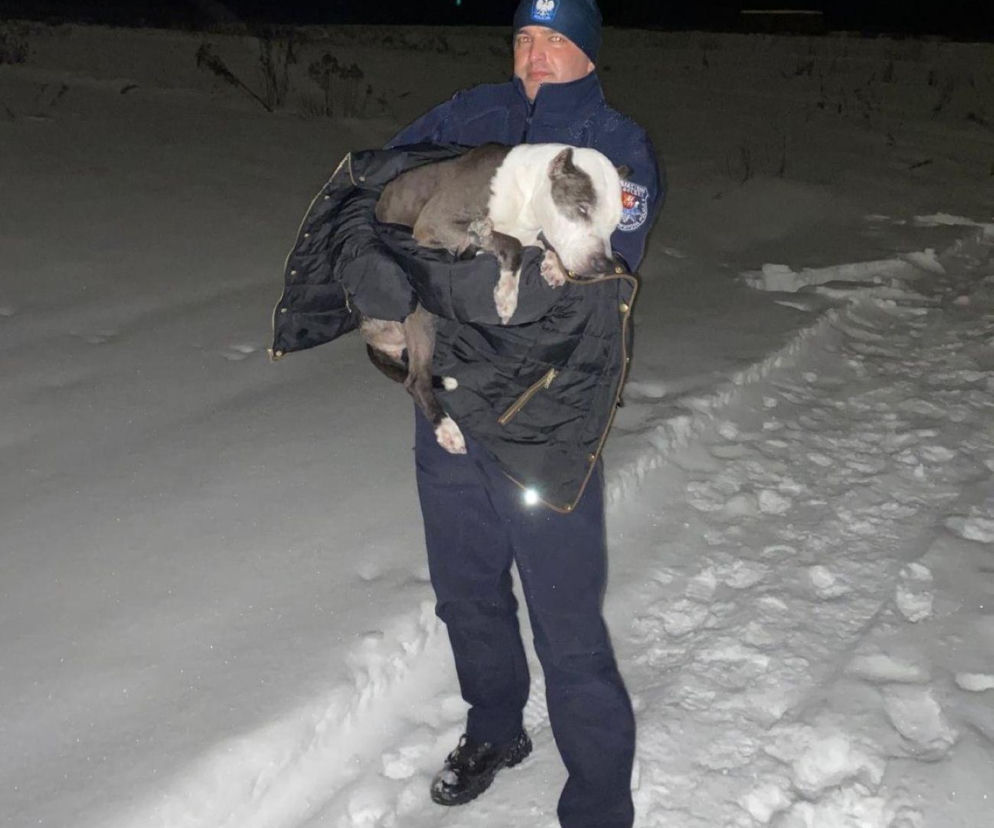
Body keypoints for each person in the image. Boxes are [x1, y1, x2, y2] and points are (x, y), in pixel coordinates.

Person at [385, 2, 663, 826]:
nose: (535, 55)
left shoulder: (615, 151)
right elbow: (391, 189)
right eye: (524, 38)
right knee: (466, 592)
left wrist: (447, 268)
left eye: (555, 39)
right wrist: (378, 262)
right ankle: (495, 728)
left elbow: (594, 277)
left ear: (587, 50)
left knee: (565, 617)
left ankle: (599, 800)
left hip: (543, 422)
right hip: (449, 410)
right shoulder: (471, 115)